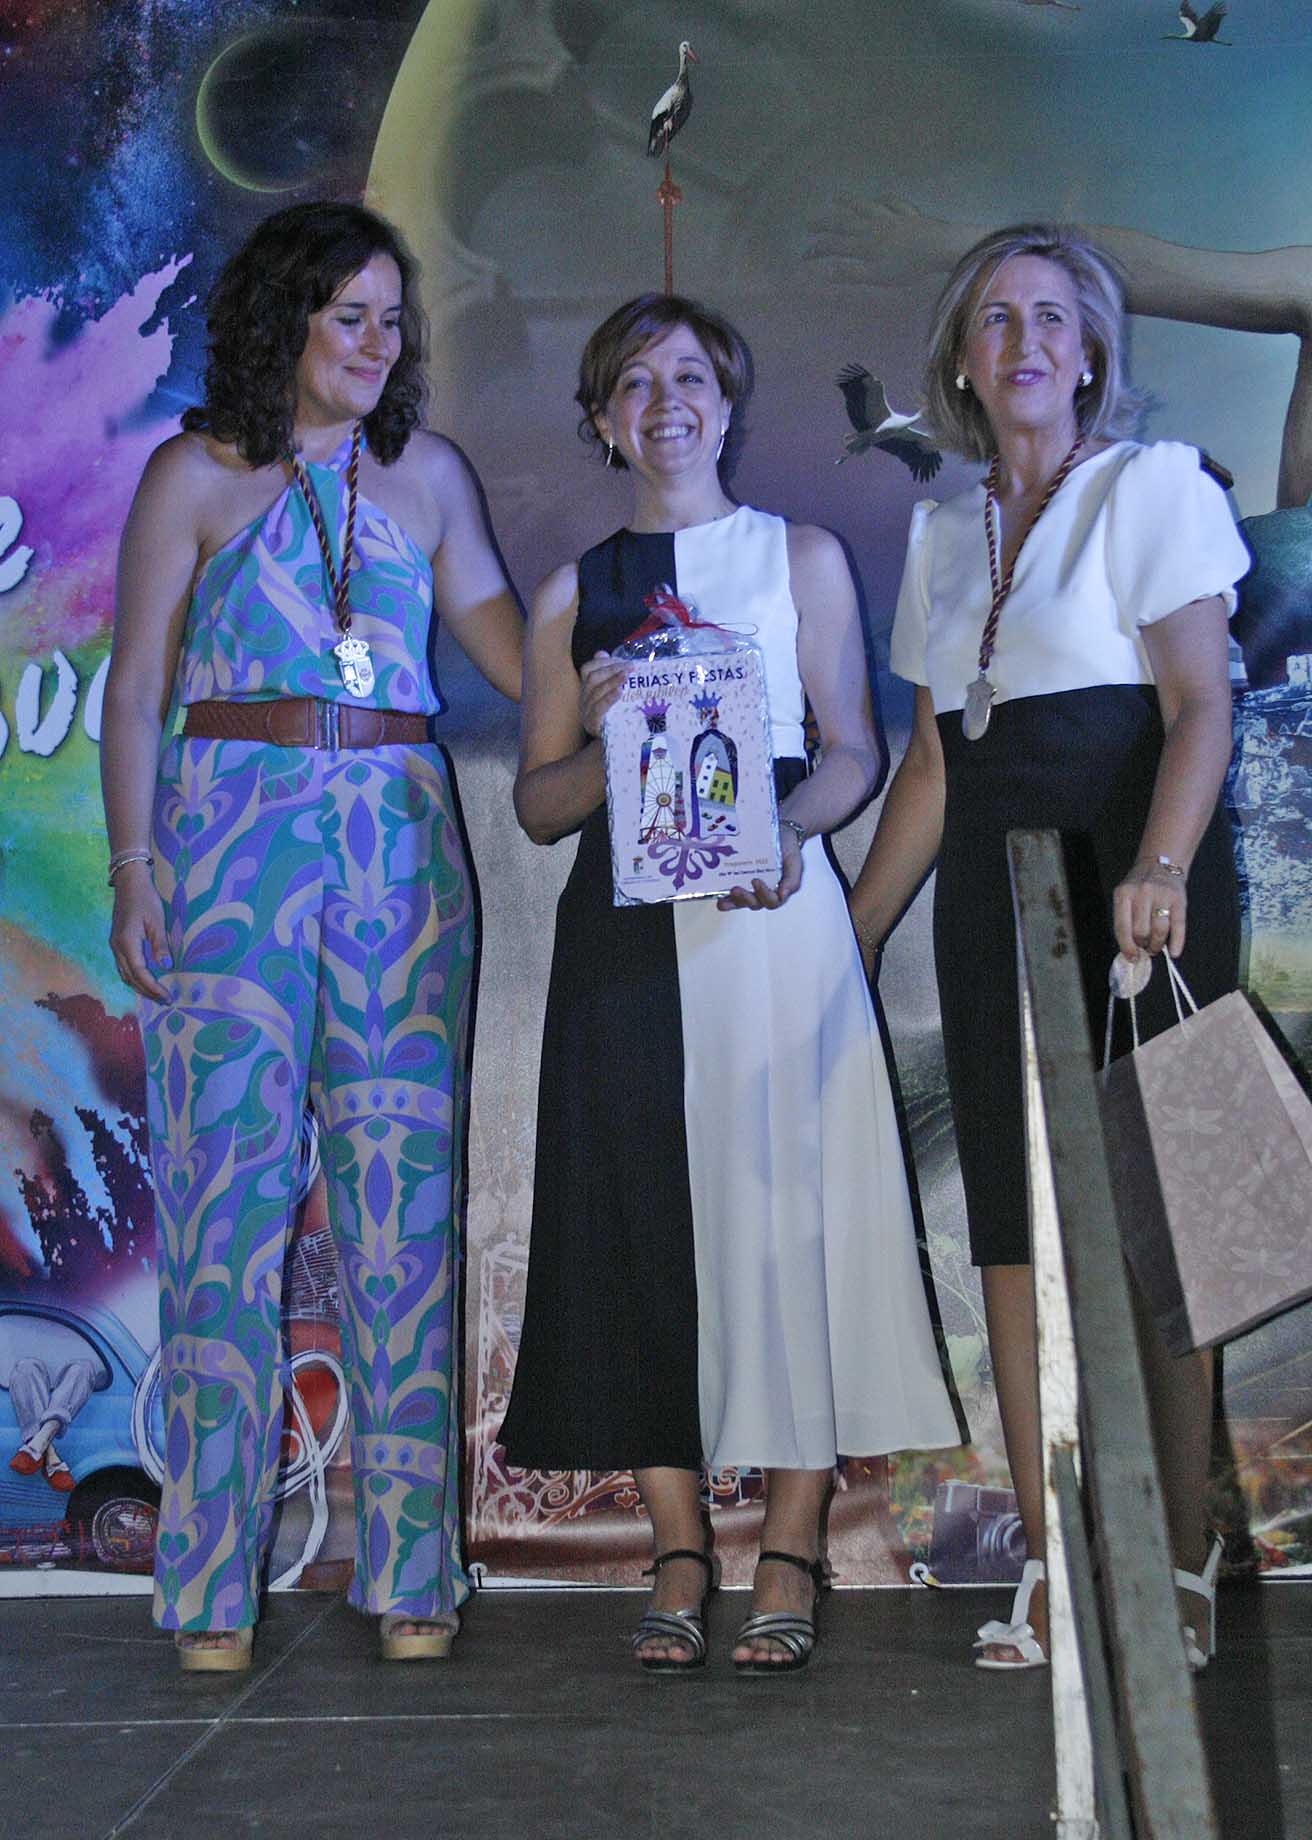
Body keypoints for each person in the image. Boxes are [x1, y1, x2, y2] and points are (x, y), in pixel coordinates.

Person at [498, 293, 959, 1674]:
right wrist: (598, 737)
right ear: (602, 418)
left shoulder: (799, 557)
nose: (667, 404)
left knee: (790, 1219)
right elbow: (537, 806)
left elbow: (852, 749)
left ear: (727, 401)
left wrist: (792, 835)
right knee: (635, 1223)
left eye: (690, 377)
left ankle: (793, 1546)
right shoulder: (571, 595)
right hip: (626, 946)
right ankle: (681, 1548)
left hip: (774, 926)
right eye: (635, 384)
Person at [100, 201, 523, 1671]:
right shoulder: (194, 474)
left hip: (402, 855)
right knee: (224, 1219)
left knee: (402, 1218)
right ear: (281, 319)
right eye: (350, 315)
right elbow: (135, 687)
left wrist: (644, 655)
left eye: (393, 319)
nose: (377, 342)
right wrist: (133, 865)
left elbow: (514, 655)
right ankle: (209, 1589)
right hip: (229, 847)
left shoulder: (431, 477)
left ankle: (411, 1574)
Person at [847, 223, 1250, 1672]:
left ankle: (1177, 1561)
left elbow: (1199, 707)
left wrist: (1160, 865)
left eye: (1053, 318)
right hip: (991, 897)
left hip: (1137, 884)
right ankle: (1054, 1558)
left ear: (1090, 355)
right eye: (997, 319)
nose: (1025, 341)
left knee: (1163, 1233)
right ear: (962, 360)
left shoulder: (1153, 486)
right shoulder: (940, 533)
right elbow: (932, 768)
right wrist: (849, 940)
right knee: (1013, 1236)